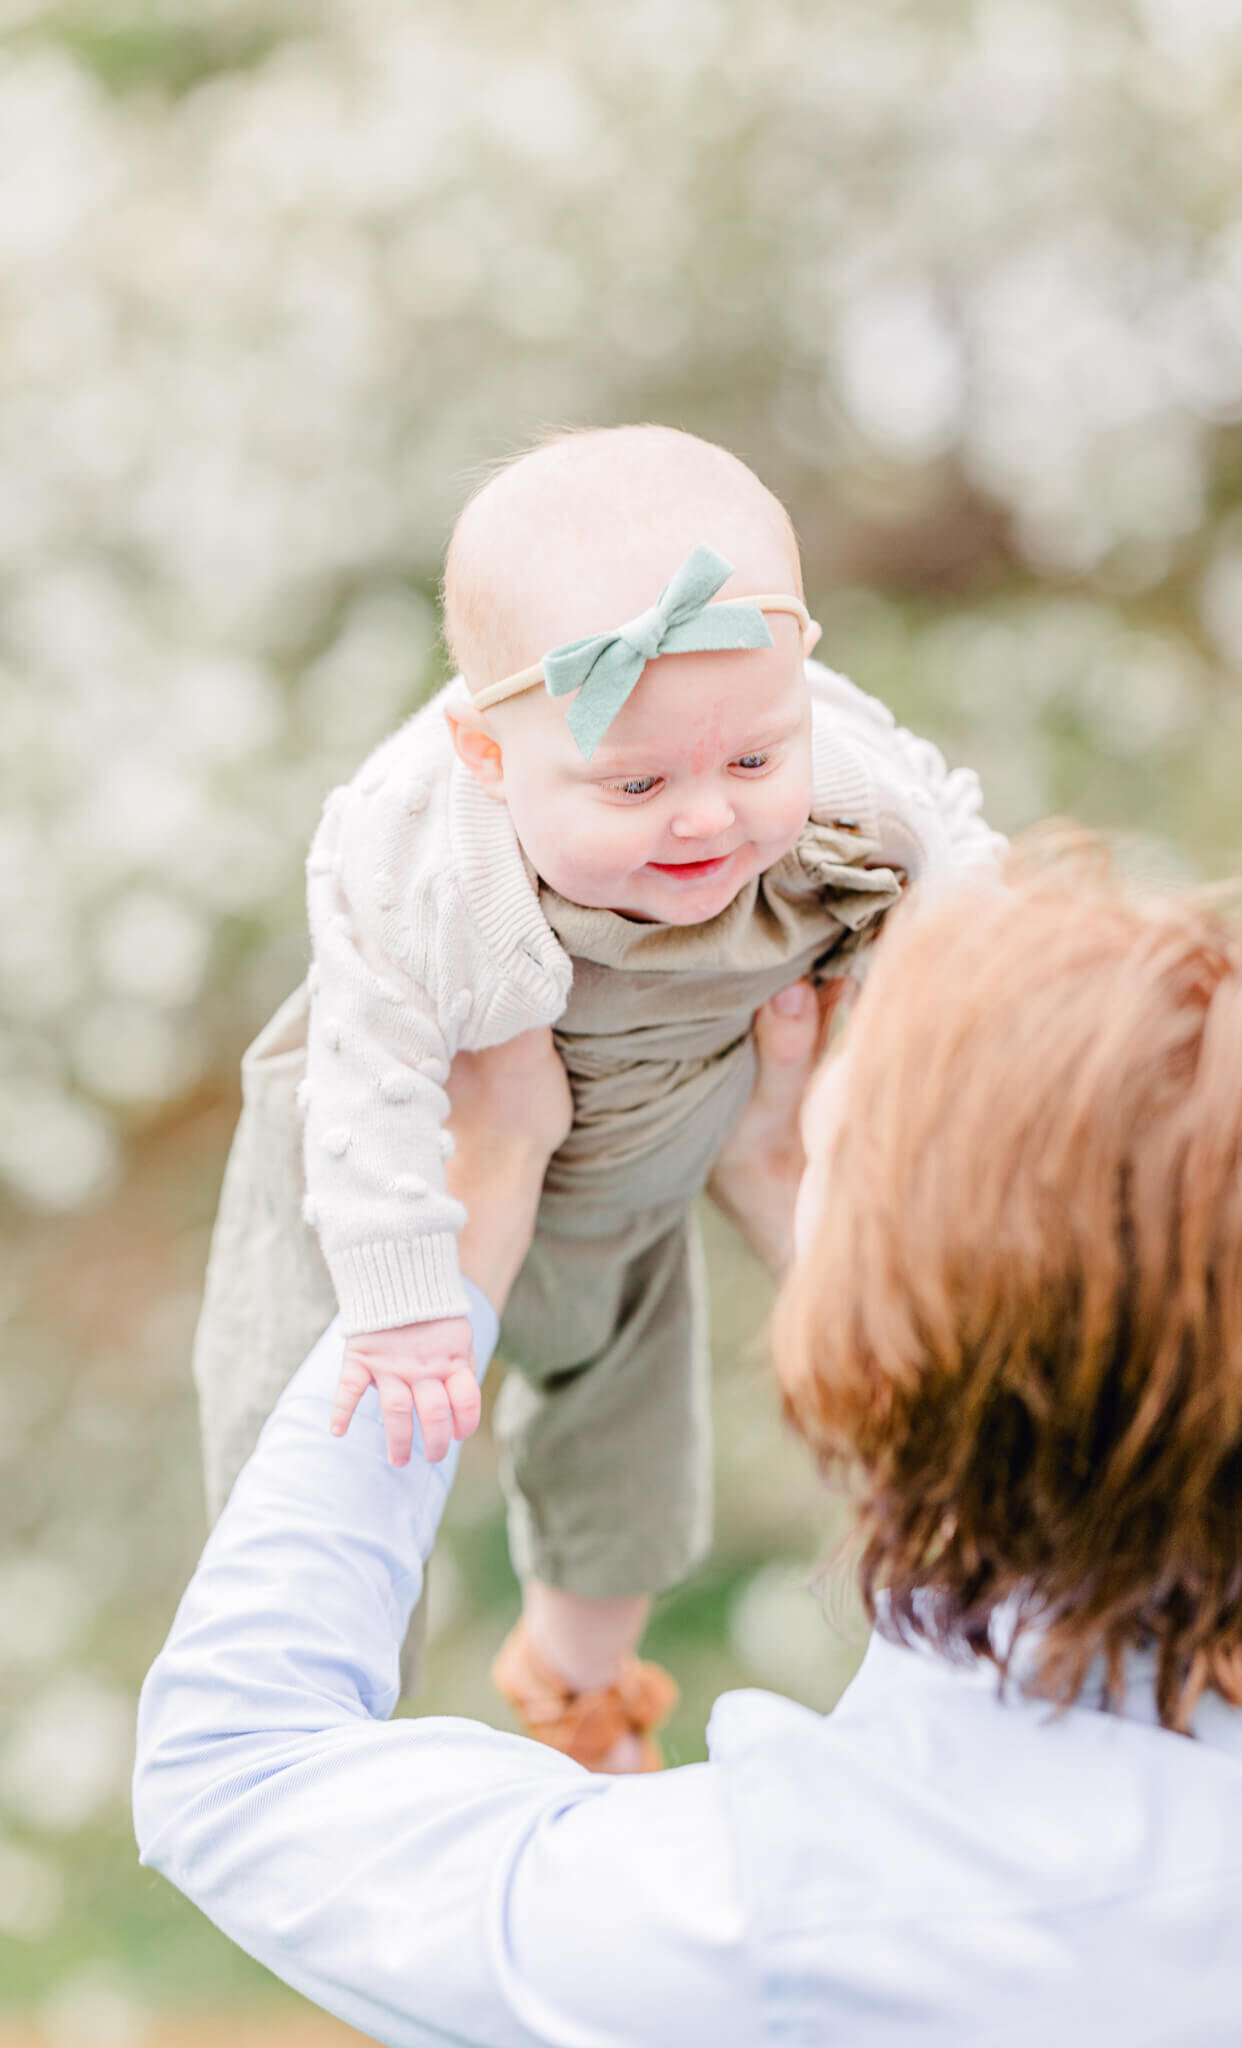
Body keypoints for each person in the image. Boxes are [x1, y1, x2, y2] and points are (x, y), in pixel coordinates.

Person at [135, 856, 1242, 2045]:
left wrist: (462, 1220)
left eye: (836, 1145)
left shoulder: (779, 1919)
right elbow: (1095, 1445)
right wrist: (801, 1196)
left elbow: (231, 1762)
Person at [191, 422, 1002, 1768]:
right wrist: (402, 1302)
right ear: (487, 753)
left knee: (632, 1447)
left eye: (753, 761)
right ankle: (318, 1719)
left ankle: (580, 1685)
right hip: (388, 1167)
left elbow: (966, 869)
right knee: (338, 1409)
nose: (705, 818)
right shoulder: (414, 855)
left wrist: (902, 1037)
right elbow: (373, 1073)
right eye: (636, 783)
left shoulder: (830, 759)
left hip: (644, 1143)